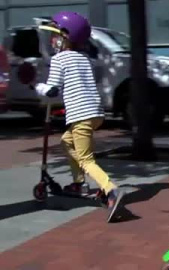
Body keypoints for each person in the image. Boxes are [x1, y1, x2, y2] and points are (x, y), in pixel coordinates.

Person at [35, 11, 124, 223]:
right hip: (95, 112)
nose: (52, 40)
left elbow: (52, 90)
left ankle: (111, 190)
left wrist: (37, 86)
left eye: (55, 35)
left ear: (66, 36)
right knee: (67, 142)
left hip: (81, 114)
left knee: (85, 158)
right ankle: (78, 183)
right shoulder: (84, 59)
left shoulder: (59, 59)